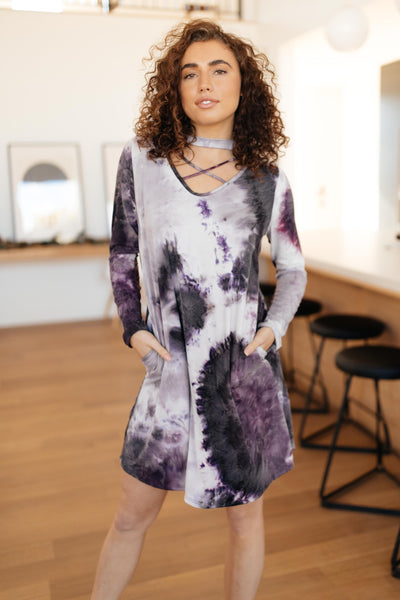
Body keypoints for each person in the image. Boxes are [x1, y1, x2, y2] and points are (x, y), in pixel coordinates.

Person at [91, 19, 306, 600]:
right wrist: (132, 326)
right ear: (176, 87)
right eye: (190, 73)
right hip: (167, 375)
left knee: (245, 520)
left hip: (240, 375)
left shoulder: (268, 180)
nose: (204, 83)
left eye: (219, 69)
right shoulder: (142, 160)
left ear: (244, 85)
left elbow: (293, 268)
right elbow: (123, 250)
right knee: (130, 515)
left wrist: (272, 330)